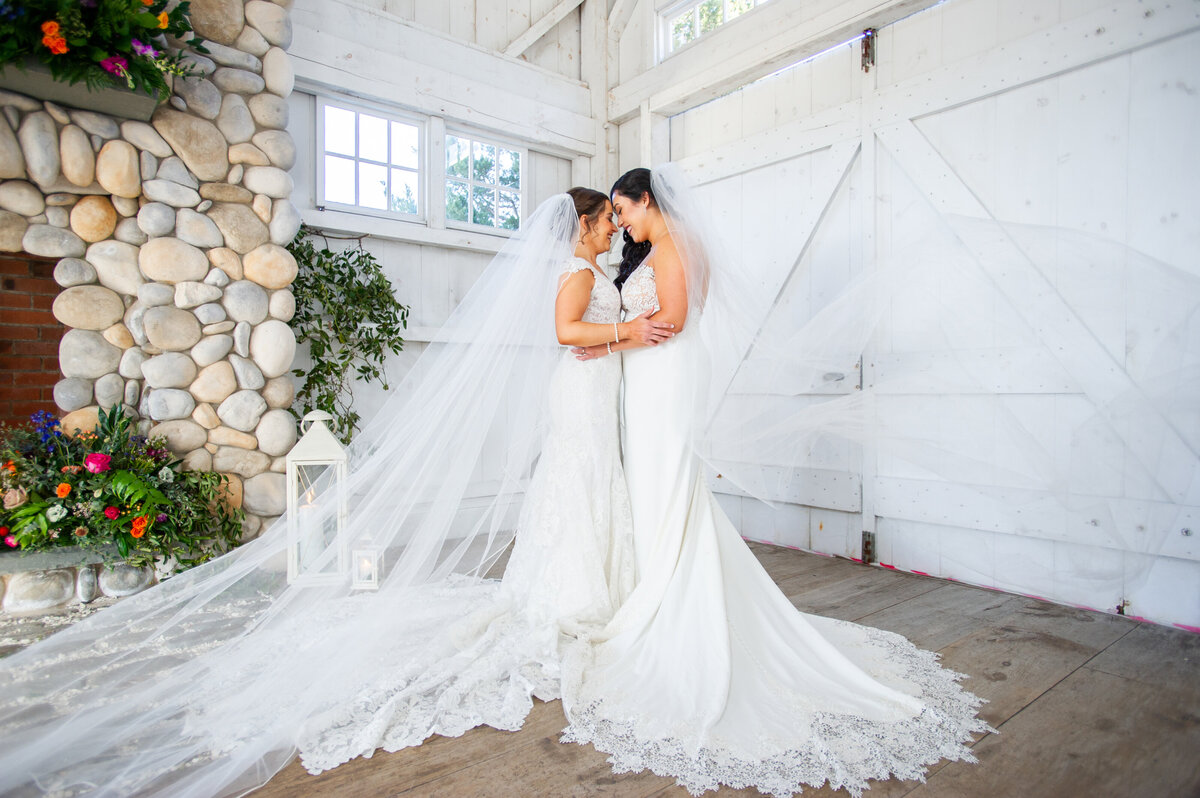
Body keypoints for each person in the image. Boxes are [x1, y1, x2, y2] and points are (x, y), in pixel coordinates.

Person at [0, 190, 664, 797]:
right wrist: (629, 333)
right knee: (577, 481)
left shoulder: (599, 270)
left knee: (590, 482)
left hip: (598, 391)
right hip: (580, 393)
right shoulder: (575, 273)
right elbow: (565, 334)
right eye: (605, 218)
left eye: (614, 216)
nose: (613, 226)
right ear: (580, 224)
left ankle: (596, 585)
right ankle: (573, 595)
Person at [563, 167, 990, 798]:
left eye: (622, 209)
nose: (619, 221)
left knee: (670, 485)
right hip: (647, 376)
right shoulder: (658, 246)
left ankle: (673, 604)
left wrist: (613, 342)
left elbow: (673, 319)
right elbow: (650, 322)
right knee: (655, 488)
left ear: (645, 198)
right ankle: (658, 585)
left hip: (665, 376)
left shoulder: (675, 244)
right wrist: (616, 344)